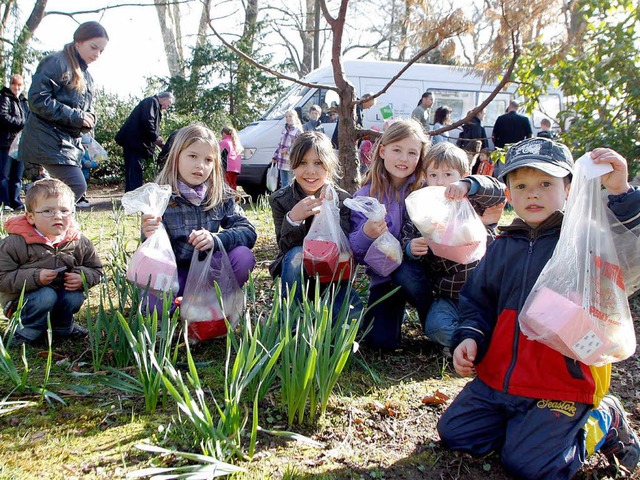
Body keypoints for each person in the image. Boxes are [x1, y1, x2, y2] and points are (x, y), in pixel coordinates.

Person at [437, 137, 640, 479]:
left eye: (546, 183)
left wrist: (621, 193)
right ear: (509, 194)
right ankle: (529, 428)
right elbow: (477, 301)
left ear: (569, 188)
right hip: (500, 378)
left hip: (561, 381)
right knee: (456, 433)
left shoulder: (587, 238)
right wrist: (469, 337)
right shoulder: (502, 246)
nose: (533, 193)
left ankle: (604, 418)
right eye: (522, 185)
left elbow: (630, 244)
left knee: (532, 466)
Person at [401, 142, 505, 350]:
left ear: (463, 174)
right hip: (447, 294)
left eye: (448, 175)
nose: (440, 182)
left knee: (500, 324)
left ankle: (481, 341)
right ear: (425, 177)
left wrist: (468, 185)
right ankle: (471, 345)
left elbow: (499, 190)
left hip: (482, 291)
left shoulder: (473, 200)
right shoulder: (423, 207)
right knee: (437, 328)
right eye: (433, 175)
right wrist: (410, 247)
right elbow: (407, 233)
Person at [141, 124, 257, 309]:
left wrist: (216, 239)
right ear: (176, 156)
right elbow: (150, 255)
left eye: (208, 160)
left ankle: (211, 301)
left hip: (208, 272)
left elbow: (248, 231)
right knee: (154, 308)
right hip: (174, 274)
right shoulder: (159, 197)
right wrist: (148, 234)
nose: (200, 165)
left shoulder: (219, 195)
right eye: (192, 156)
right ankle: (182, 304)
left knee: (243, 256)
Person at [349, 119, 434, 350]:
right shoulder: (366, 196)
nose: (404, 159)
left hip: (424, 275)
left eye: (412, 153)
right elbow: (355, 251)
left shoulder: (426, 190)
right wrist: (366, 233)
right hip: (385, 279)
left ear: (420, 157)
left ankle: (434, 319)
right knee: (381, 342)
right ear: (383, 150)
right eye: (397, 150)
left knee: (406, 273)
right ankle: (394, 313)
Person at [0, 178, 103, 347]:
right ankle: (27, 330)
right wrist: (35, 277)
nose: (57, 216)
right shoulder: (15, 243)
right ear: (31, 217)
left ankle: (62, 327)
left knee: (74, 296)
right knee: (46, 296)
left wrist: (82, 277)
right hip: (22, 301)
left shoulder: (78, 241)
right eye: (47, 211)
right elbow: (2, 278)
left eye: (64, 210)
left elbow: (96, 269)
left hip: (60, 297)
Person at [269, 131, 362, 319]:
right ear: (293, 165)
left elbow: (343, 245)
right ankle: (291, 319)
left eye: (318, 163)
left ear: (330, 165)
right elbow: (284, 246)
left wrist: (332, 210)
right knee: (296, 254)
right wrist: (293, 219)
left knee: (353, 321)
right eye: (303, 163)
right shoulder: (281, 200)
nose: (310, 171)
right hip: (296, 273)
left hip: (332, 275)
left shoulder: (342, 199)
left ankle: (324, 304)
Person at [18, 21, 109, 203]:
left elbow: (85, 111)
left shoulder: (87, 76)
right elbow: (38, 100)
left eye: (101, 51)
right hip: (47, 139)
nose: (97, 55)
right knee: (76, 186)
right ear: (78, 42)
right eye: (93, 47)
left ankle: (49, 225)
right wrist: (78, 117)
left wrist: (89, 119)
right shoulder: (55, 62)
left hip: (67, 142)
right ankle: (35, 224)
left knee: (63, 190)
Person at [116, 91, 174, 192]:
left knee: (132, 170)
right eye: (167, 105)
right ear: (164, 99)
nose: (166, 108)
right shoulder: (151, 102)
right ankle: (134, 195)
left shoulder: (152, 103)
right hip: (134, 143)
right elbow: (148, 121)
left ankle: (130, 194)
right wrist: (156, 137)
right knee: (135, 169)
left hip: (133, 142)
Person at [0, 74, 29, 211]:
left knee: (17, 175)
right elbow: (3, 116)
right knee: (4, 175)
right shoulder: (4, 98)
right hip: (5, 143)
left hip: (20, 144)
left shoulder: (24, 101)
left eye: (19, 85)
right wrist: (22, 124)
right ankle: (4, 202)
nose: (17, 88)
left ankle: (15, 201)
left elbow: (30, 118)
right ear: (10, 85)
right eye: (14, 84)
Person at [272, 109, 302, 188]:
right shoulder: (284, 130)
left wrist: (288, 151)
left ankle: (291, 199)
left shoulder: (298, 131)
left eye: (290, 116)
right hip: (282, 161)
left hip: (290, 161)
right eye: (286, 117)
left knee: (290, 183)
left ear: (295, 117)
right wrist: (275, 156)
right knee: (283, 183)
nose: (288, 118)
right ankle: (284, 199)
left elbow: (299, 147)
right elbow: (280, 144)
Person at [219, 126, 243, 191]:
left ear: (224, 133)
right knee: (233, 184)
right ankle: (234, 199)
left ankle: (227, 200)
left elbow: (216, 153)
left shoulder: (224, 142)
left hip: (227, 167)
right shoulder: (235, 142)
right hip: (236, 168)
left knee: (226, 184)